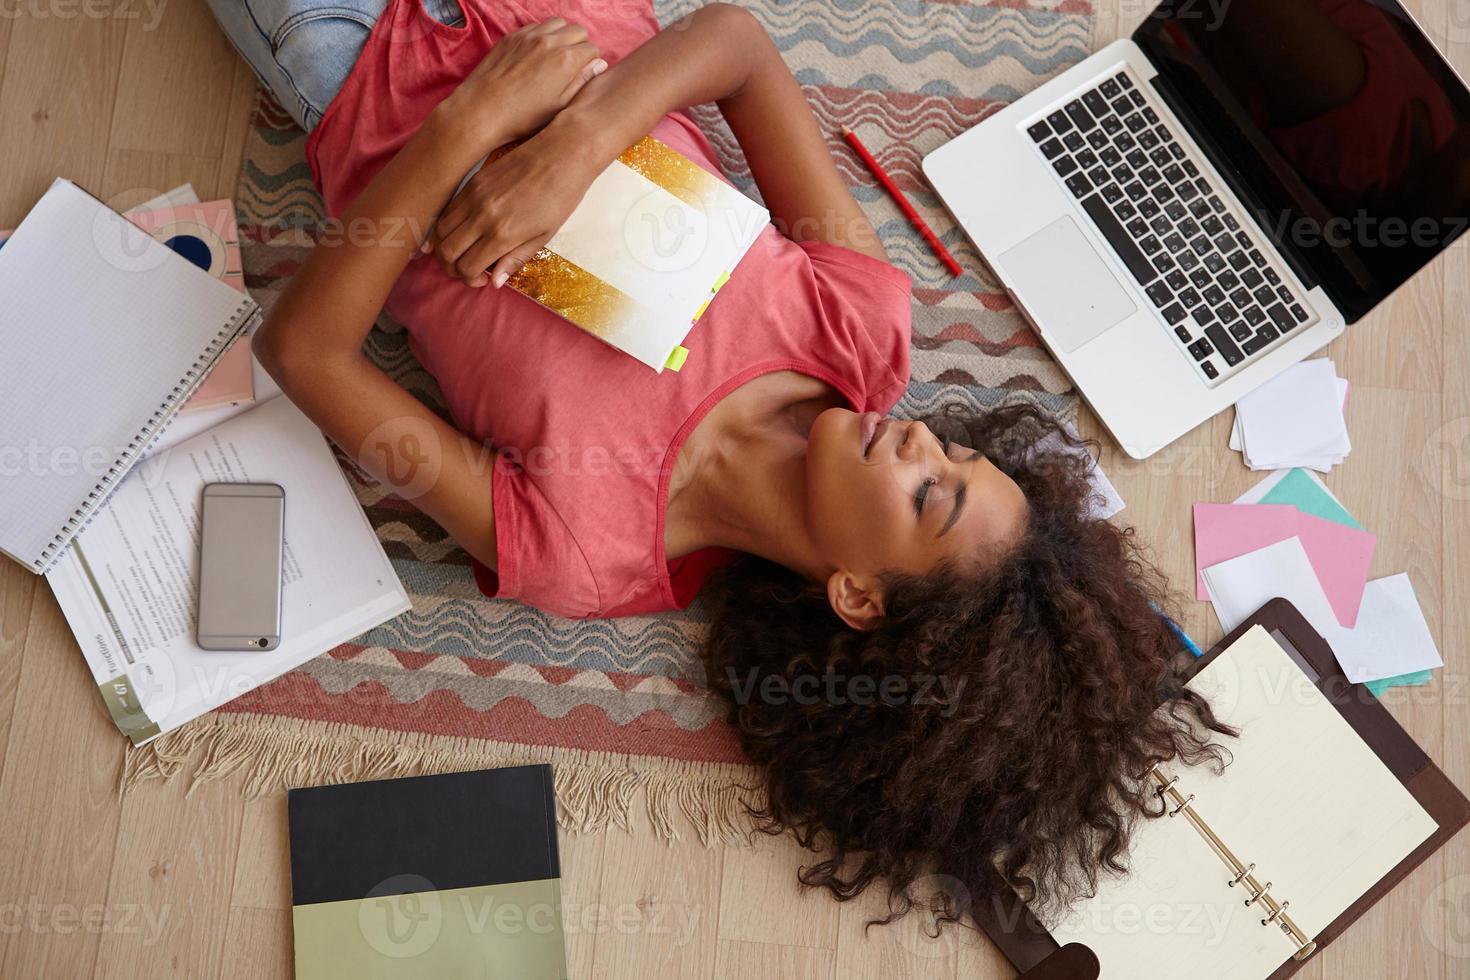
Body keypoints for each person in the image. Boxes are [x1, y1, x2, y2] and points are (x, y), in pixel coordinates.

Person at [211, 0, 1233, 927]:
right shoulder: (861, 329)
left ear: (860, 596)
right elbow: (735, 48)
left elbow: (306, 351)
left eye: (930, 494)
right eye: (959, 448)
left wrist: (467, 128)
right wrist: (575, 141)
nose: (922, 436)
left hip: (358, 71)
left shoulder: (589, 545)